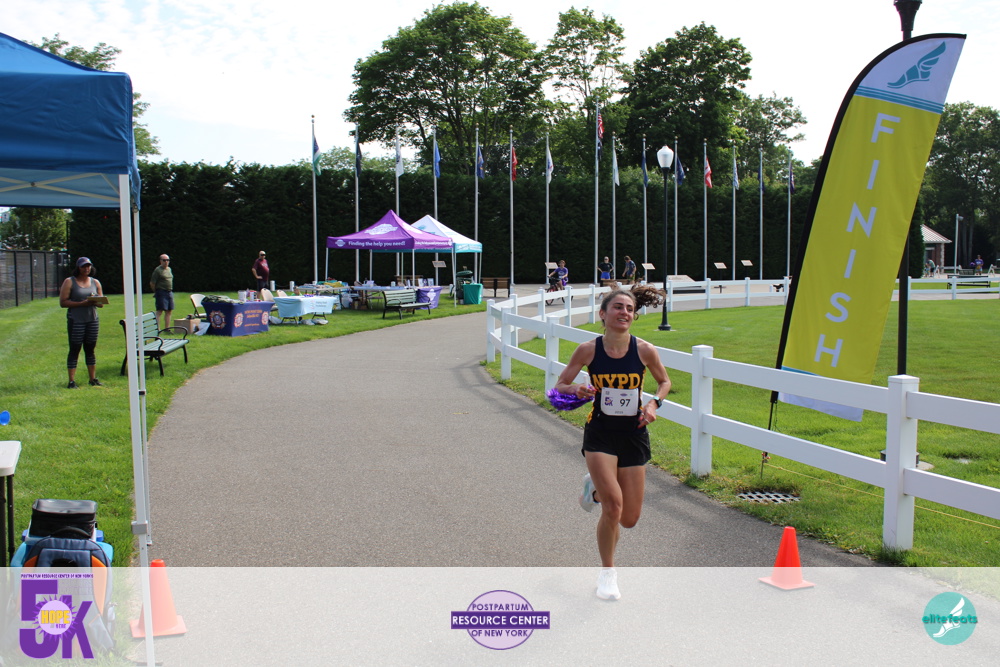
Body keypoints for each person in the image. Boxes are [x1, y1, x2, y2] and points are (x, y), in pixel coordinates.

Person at [553, 285, 671, 601]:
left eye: (629, 309)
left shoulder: (644, 350)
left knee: (629, 519)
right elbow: (561, 384)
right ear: (603, 314)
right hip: (600, 433)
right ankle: (608, 574)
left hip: (633, 434)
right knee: (613, 507)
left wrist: (654, 404)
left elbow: (664, 381)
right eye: (618, 307)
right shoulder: (588, 350)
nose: (624, 313)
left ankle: (594, 489)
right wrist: (576, 390)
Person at [59, 257, 105, 389]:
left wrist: (96, 300)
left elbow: (101, 303)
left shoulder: (95, 282)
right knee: (75, 349)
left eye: (88, 266)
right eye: (84, 266)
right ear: (78, 268)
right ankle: (71, 381)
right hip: (76, 320)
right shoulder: (69, 281)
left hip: (92, 320)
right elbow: (63, 302)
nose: (86, 269)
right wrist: (82, 303)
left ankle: (93, 379)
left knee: (90, 348)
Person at [150, 253, 174, 330]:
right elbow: (152, 283)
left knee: (169, 310)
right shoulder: (158, 270)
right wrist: (156, 292)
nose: (166, 262)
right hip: (161, 292)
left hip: (169, 292)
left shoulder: (169, 269)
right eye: (164, 260)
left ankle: (167, 328)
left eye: (167, 260)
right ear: (160, 261)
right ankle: (158, 329)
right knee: (160, 311)